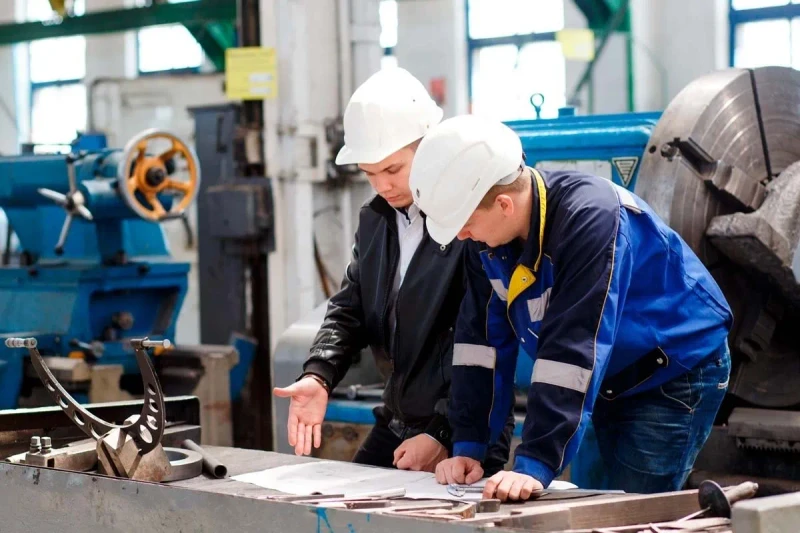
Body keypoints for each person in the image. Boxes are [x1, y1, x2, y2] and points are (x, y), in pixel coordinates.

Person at [408, 114, 733, 500]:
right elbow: (480, 343)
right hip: (608, 374)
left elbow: (572, 350)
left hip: (671, 369)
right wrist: (469, 444)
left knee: (628, 513)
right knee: (592, 501)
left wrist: (534, 463)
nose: (461, 235)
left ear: (504, 204)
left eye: (464, 223)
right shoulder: (486, 240)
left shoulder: (591, 220)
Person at [272, 69, 514, 475]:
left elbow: (486, 337)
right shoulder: (376, 220)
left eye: (392, 169)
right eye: (369, 173)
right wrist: (319, 374)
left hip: (464, 427)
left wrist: (442, 432)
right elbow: (349, 309)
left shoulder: (470, 221)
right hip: (398, 420)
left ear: (431, 147)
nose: (382, 185)